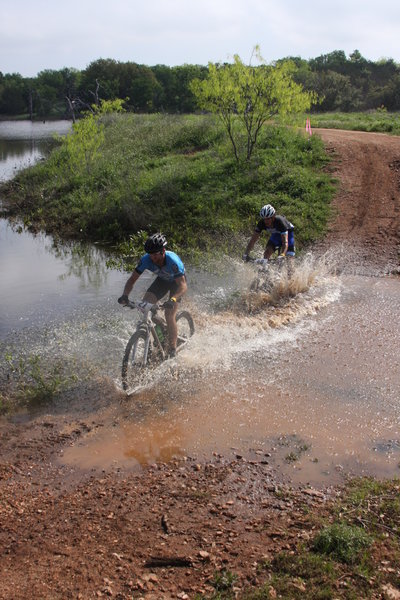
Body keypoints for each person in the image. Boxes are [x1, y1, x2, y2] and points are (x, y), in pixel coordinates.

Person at [118, 233, 187, 358]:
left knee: (169, 314)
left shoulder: (173, 261)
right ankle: (163, 328)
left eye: (156, 255)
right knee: (146, 306)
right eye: (151, 255)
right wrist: (125, 295)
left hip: (176, 283)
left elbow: (183, 285)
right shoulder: (146, 260)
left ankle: (172, 349)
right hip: (162, 281)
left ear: (163, 251)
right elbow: (132, 280)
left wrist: (173, 299)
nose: (153, 259)